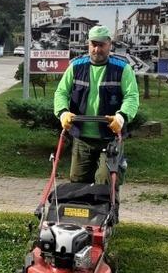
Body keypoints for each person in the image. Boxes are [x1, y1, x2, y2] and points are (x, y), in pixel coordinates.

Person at [54, 25, 139, 184]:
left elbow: (132, 96)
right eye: (94, 44)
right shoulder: (76, 66)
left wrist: (121, 117)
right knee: (78, 183)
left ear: (109, 44)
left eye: (101, 45)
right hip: (82, 138)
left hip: (110, 138)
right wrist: (63, 112)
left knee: (106, 182)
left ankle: (109, 209)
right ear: (88, 45)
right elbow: (61, 92)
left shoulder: (122, 69)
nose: (97, 49)